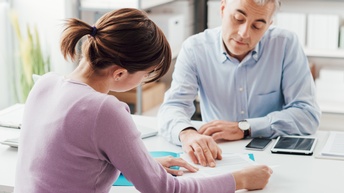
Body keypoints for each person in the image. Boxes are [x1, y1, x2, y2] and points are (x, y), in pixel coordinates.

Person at [14, 8, 272, 193]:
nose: (145, 81)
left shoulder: (45, 84)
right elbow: (164, 189)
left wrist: (141, 164)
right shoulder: (105, 110)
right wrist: (239, 180)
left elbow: (69, 164)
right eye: (146, 75)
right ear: (119, 73)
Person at [158, 0, 321, 167]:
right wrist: (186, 133)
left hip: (274, 157)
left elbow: (308, 114)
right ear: (222, 9)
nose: (244, 34)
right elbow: (173, 106)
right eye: (238, 18)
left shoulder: (285, 44)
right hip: (217, 156)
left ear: (269, 25)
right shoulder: (195, 48)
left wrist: (246, 127)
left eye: (257, 26)